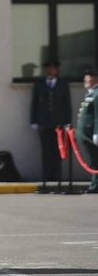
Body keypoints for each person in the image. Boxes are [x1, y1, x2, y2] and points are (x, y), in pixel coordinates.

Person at [29, 60, 71, 190]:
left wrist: (67, 122)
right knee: (46, 151)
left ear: (57, 70)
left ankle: (57, 176)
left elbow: (67, 105)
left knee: (58, 151)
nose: (50, 71)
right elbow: (34, 104)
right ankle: (46, 177)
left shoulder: (63, 85)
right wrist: (34, 121)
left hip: (59, 123)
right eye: (48, 68)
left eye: (53, 68)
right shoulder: (39, 85)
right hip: (44, 123)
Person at [76, 69, 97, 194]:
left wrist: (96, 133)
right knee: (93, 160)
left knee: (95, 160)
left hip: (91, 133)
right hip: (85, 133)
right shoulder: (90, 94)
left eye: (88, 77)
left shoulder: (97, 93)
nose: (85, 80)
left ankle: (95, 185)